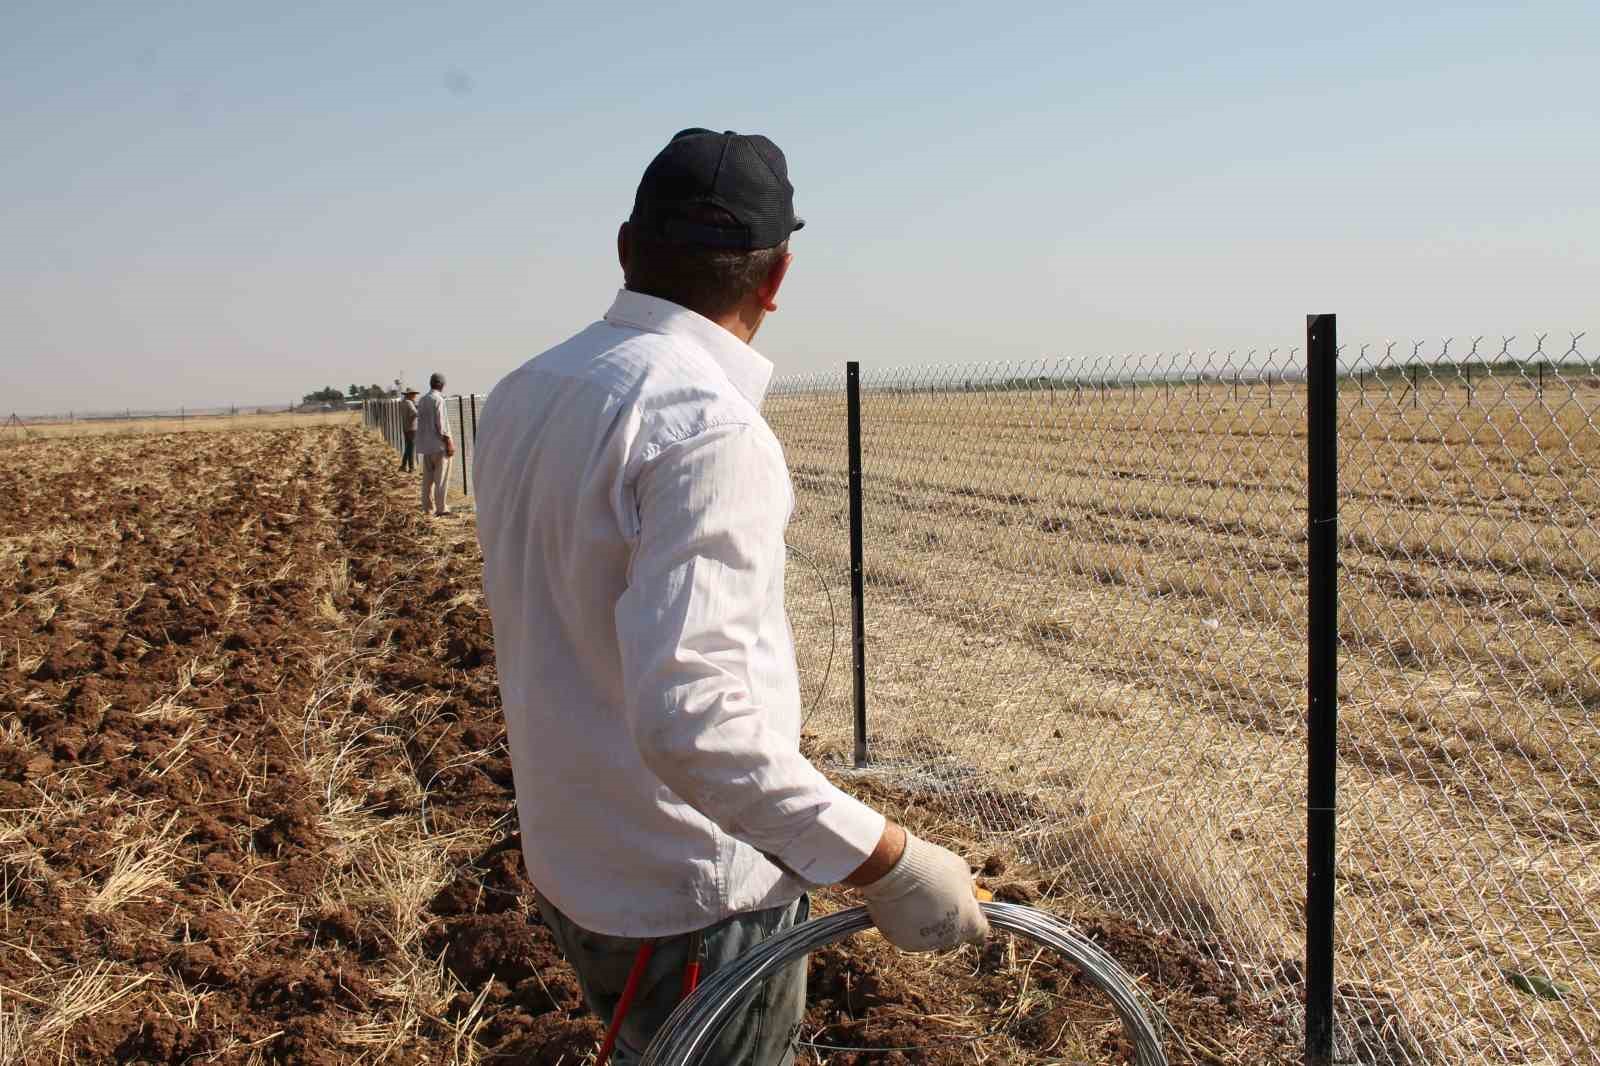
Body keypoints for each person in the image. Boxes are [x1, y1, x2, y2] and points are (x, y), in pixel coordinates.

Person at [473, 128, 987, 1066]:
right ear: (777, 275)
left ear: (627, 248)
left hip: (572, 859)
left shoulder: (524, 392)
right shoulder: (707, 428)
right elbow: (693, 720)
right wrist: (889, 859)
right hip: (689, 898)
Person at [415, 373, 454, 516]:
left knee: (427, 480)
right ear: (441, 385)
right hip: (439, 445)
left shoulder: (423, 400)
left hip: (426, 446)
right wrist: (448, 442)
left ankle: (427, 508)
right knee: (441, 479)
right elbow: (441, 425)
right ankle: (441, 508)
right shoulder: (438, 400)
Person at [399, 387, 419, 472]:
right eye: (413, 394)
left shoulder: (403, 402)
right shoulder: (409, 403)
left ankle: (403, 465)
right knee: (411, 448)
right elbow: (415, 413)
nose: (415, 396)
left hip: (406, 427)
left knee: (408, 447)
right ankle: (411, 467)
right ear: (409, 395)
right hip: (412, 428)